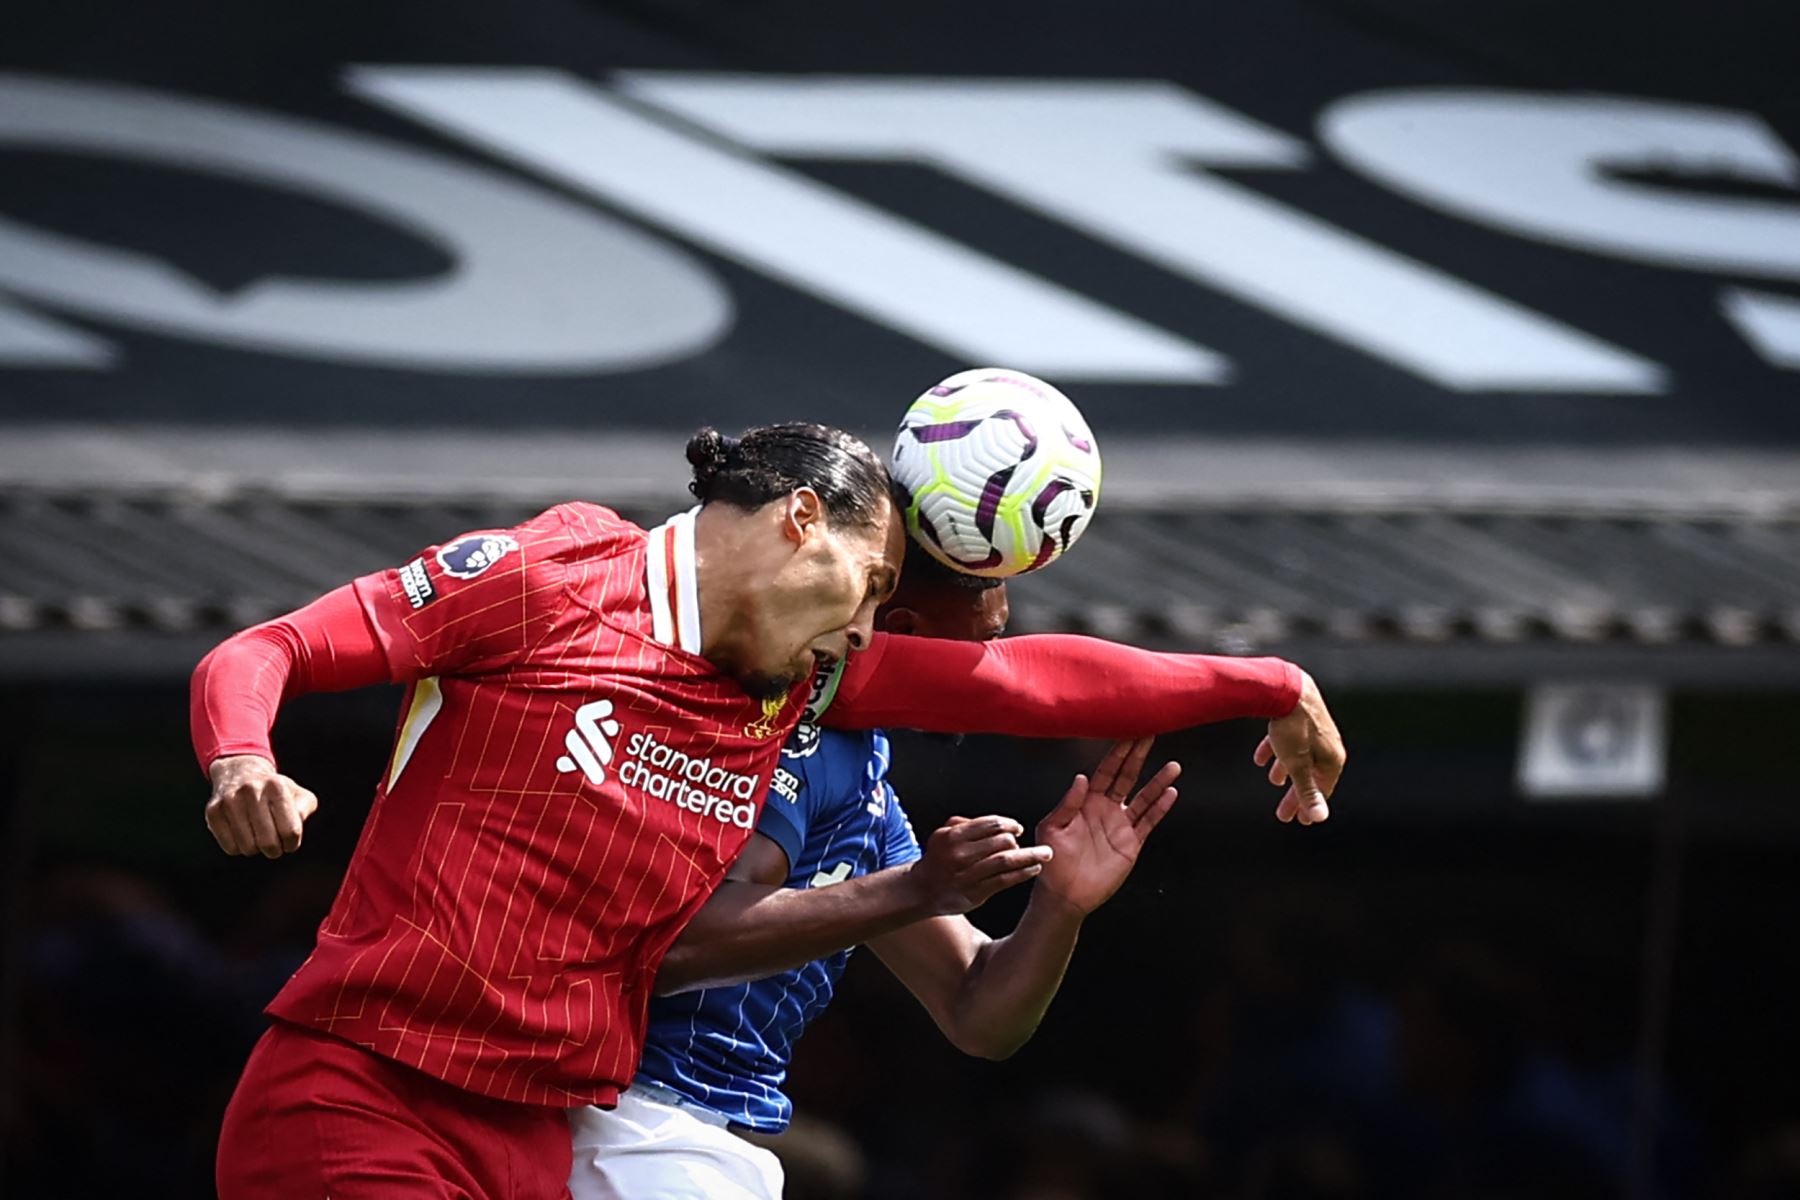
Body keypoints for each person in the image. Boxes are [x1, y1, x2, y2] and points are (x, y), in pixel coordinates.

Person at [191, 422, 1344, 1199]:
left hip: (537, 1129)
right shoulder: (550, 577)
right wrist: (243, 757)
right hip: (372, 1087)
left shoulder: (806, 679)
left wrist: (1270, 682)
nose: (868, 630)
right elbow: (271, 646)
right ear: (801, 520)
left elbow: (1029, 684)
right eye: (876, 590)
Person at [566, 543, 1184, 1199]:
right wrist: (918, 887)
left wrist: (1059, 906)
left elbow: (978, 1009)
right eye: (988, 644)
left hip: (689, 1135)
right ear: (907, 634)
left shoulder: (866, 777)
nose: (995, 671)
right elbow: (684, 937)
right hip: (635, 1122)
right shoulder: (791, 735)